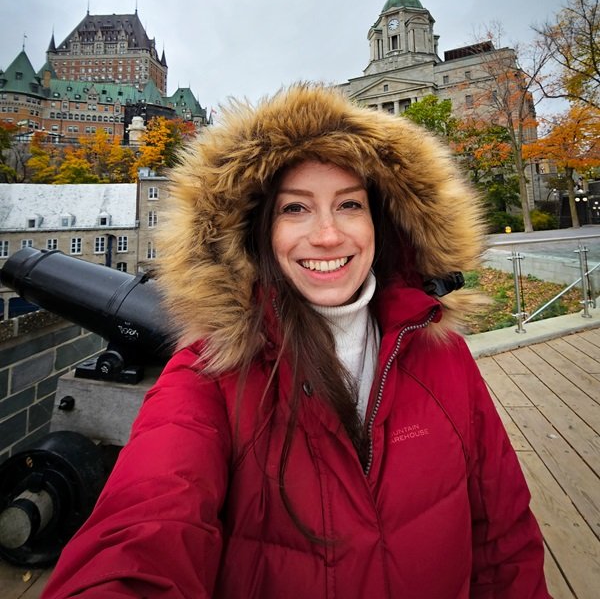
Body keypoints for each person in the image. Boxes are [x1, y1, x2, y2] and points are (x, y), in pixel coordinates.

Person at [42, 83, 551, 598]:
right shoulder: (208, 379)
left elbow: (503, 537)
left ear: (383, 223)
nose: (328, 235)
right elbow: (140, 532)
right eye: (295, 209)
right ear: (257, 232)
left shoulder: (446, 356)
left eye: (349, 204)